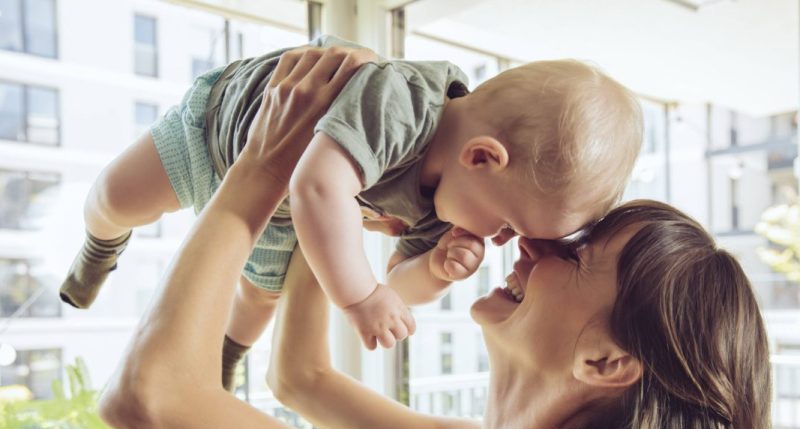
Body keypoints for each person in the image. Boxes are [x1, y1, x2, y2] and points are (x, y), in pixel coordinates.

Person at [98, 47, 771, 429]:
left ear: (604, 362)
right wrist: (339, 170)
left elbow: (151, 400)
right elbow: (301, 379)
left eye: (575, 254)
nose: (526, 247)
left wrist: (260, 167)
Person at [60, 34, 643, 389]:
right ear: (483, 157)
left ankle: (226, 356)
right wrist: (359, 299)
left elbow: (396, 281)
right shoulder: (403, 103)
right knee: (117, 197)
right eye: (509, 225)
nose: (496, 241)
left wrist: (433, 272)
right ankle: (100, 245)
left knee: (261, 296)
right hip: (222, 135)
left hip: (280, 210)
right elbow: (319, 185)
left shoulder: (450, 206)